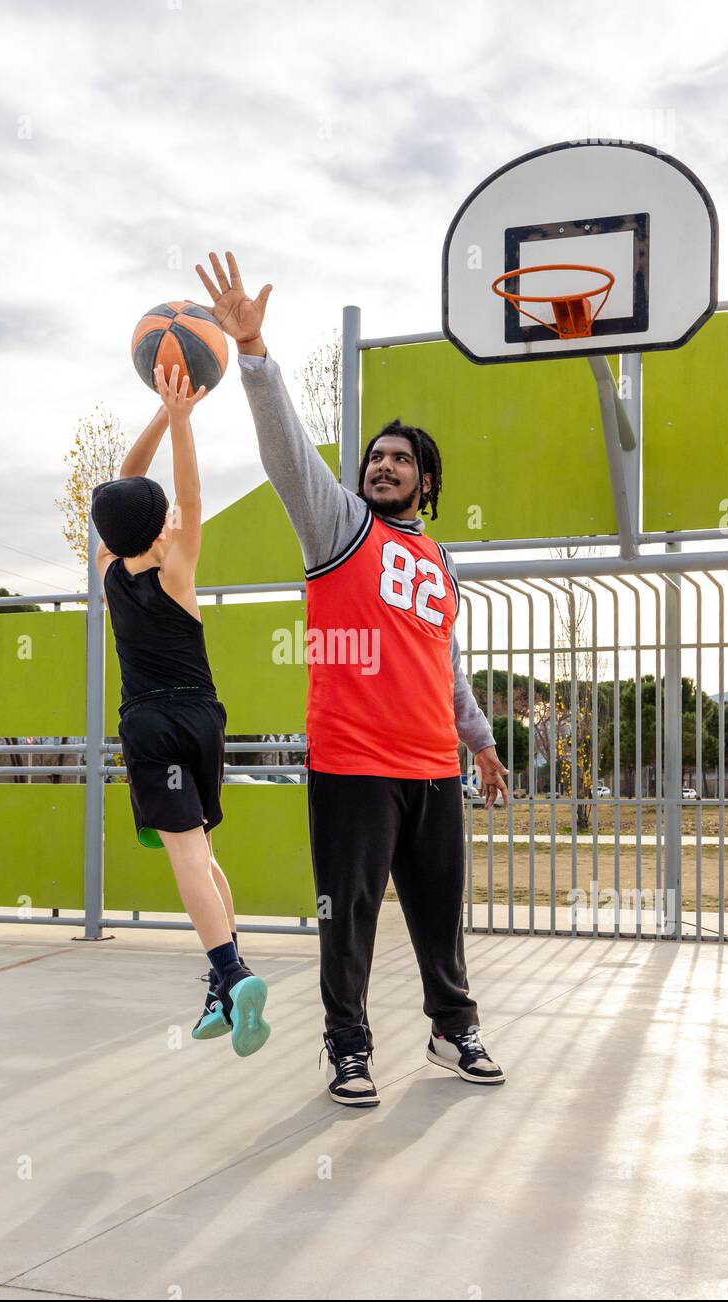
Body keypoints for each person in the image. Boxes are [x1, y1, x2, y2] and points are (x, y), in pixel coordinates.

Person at [194, 251, 509, 1105]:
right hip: (353, 762)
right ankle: (349, 1048)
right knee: (352, 919)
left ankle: (453, 1028)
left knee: (441, 916)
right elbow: (289, 453)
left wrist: (477, 742)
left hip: (432, 766)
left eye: (399, 459)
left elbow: (444, 663)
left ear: (426, 482)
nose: (382, 465)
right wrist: (255, 353)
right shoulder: (336, 526)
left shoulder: (440, 560)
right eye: (374, 456)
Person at [90, 363, 270, 1058]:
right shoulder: (178, 567)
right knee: (206, 856)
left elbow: (122, 491)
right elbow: (187, 499)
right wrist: (180, 417)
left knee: (186, 863)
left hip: (151, 726)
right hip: (204, 718)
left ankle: (232, 971)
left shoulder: (110, 568)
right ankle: (218, 988)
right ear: (161, 523)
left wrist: (167, 416)